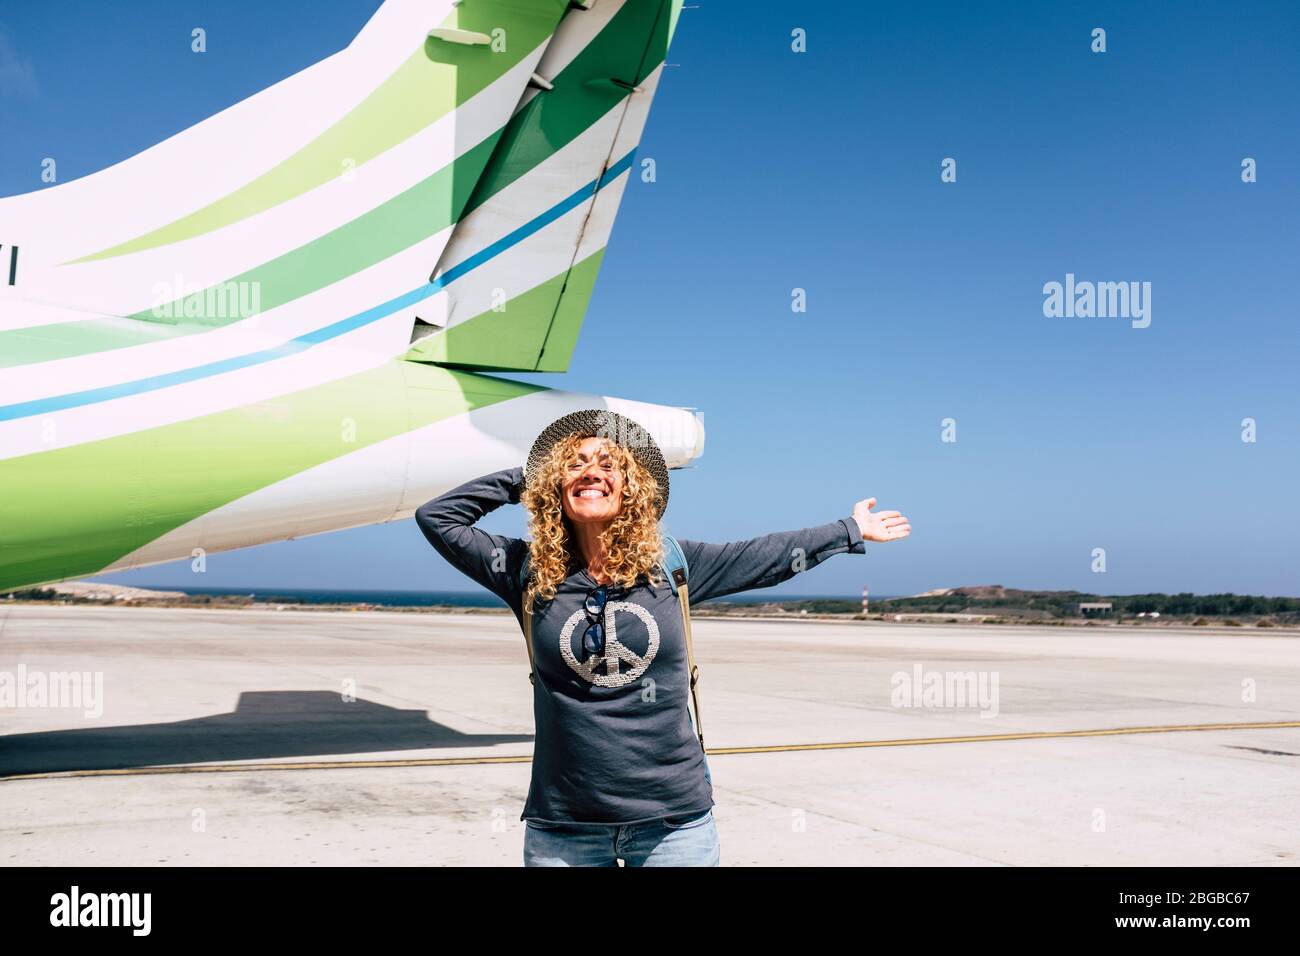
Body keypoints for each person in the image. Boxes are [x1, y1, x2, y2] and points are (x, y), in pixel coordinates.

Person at [415, 409, 911, 866]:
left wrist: (849, 529)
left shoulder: (673, 566)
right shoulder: (524, 571)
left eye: (609, 464)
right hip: (564, 825)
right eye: (577, 464)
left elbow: (767, 556)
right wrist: (535, 474)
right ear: (554, 487)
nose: (591, 471)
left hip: (675, 825)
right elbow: (437, 517)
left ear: (631, 486)